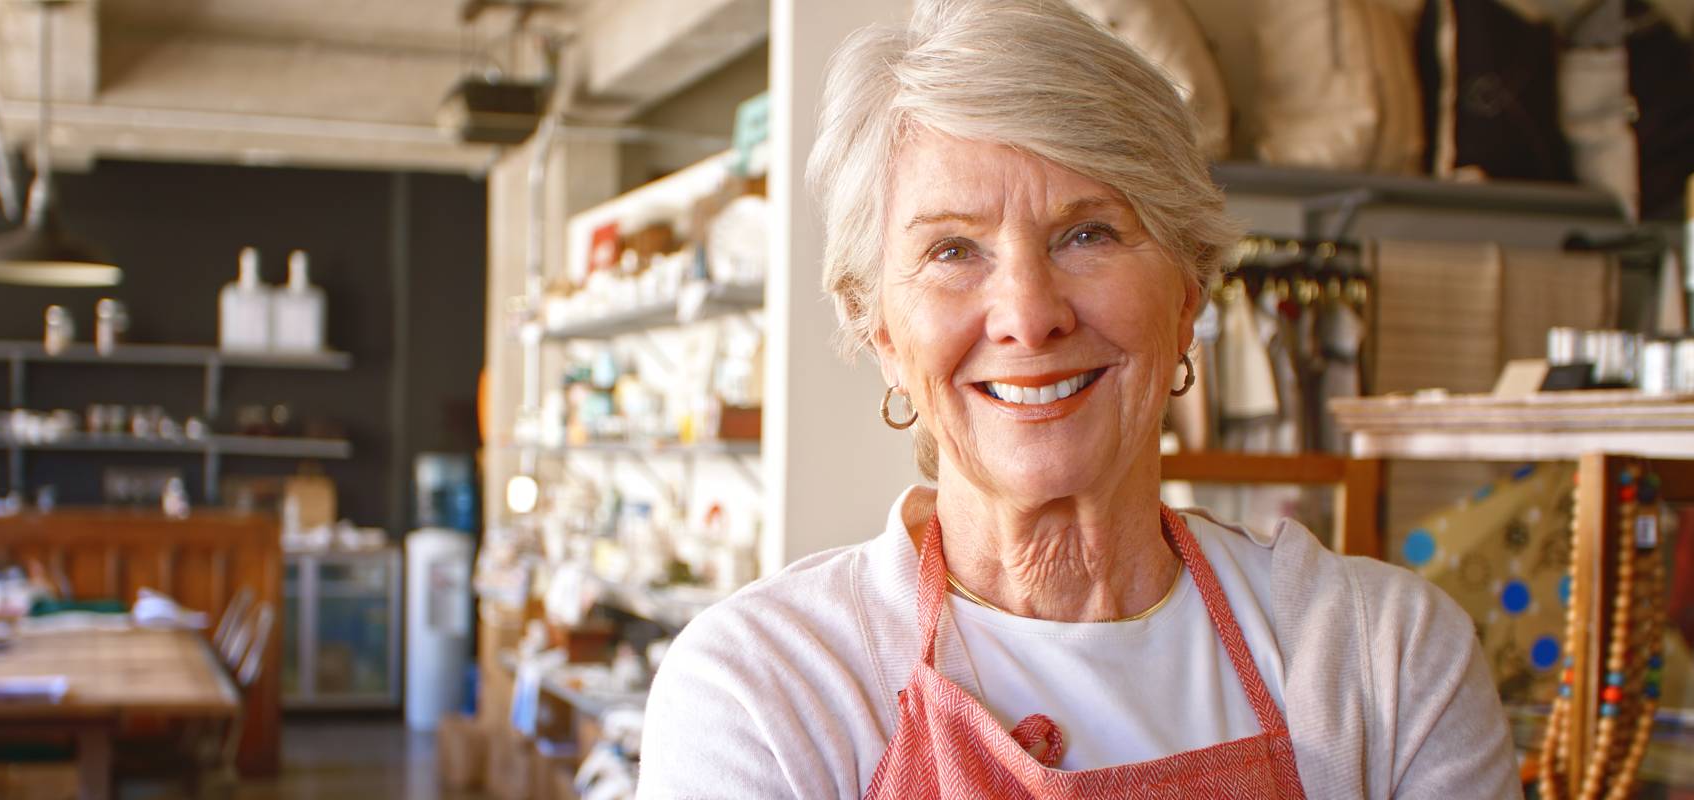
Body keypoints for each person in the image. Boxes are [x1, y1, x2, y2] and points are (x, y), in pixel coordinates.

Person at [638, 0, 1518, 796]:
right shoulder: (767, 688)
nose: (1029, 314)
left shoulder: (1386, 661)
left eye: (1088, 233)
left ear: (1187, 296)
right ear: (882, 335)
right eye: (953, 251)